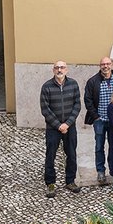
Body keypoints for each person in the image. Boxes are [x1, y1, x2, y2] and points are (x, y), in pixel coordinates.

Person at [40, 61, 81, 198]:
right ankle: (50, 183)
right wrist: (58, 125)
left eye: (62, 67)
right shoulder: (46, 87)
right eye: (57, 67)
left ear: (66, 70)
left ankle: (70, 181)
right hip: (53, 128)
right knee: (50, 155)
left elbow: (77, 106)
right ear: (53, 70)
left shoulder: (73, 84)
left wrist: (67, 124)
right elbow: (45, 109)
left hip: (70, 127)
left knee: (71, 154)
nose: (59, 70)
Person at [83, 56, 113, 184]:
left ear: (111, 65)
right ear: (100, 66)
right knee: (99, 146)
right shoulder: (93, 81)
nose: (105, 66)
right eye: (103, 64)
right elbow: (88, 100)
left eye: (107, 64)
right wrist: (95, 116)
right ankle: (100, 171)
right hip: (100, 119)